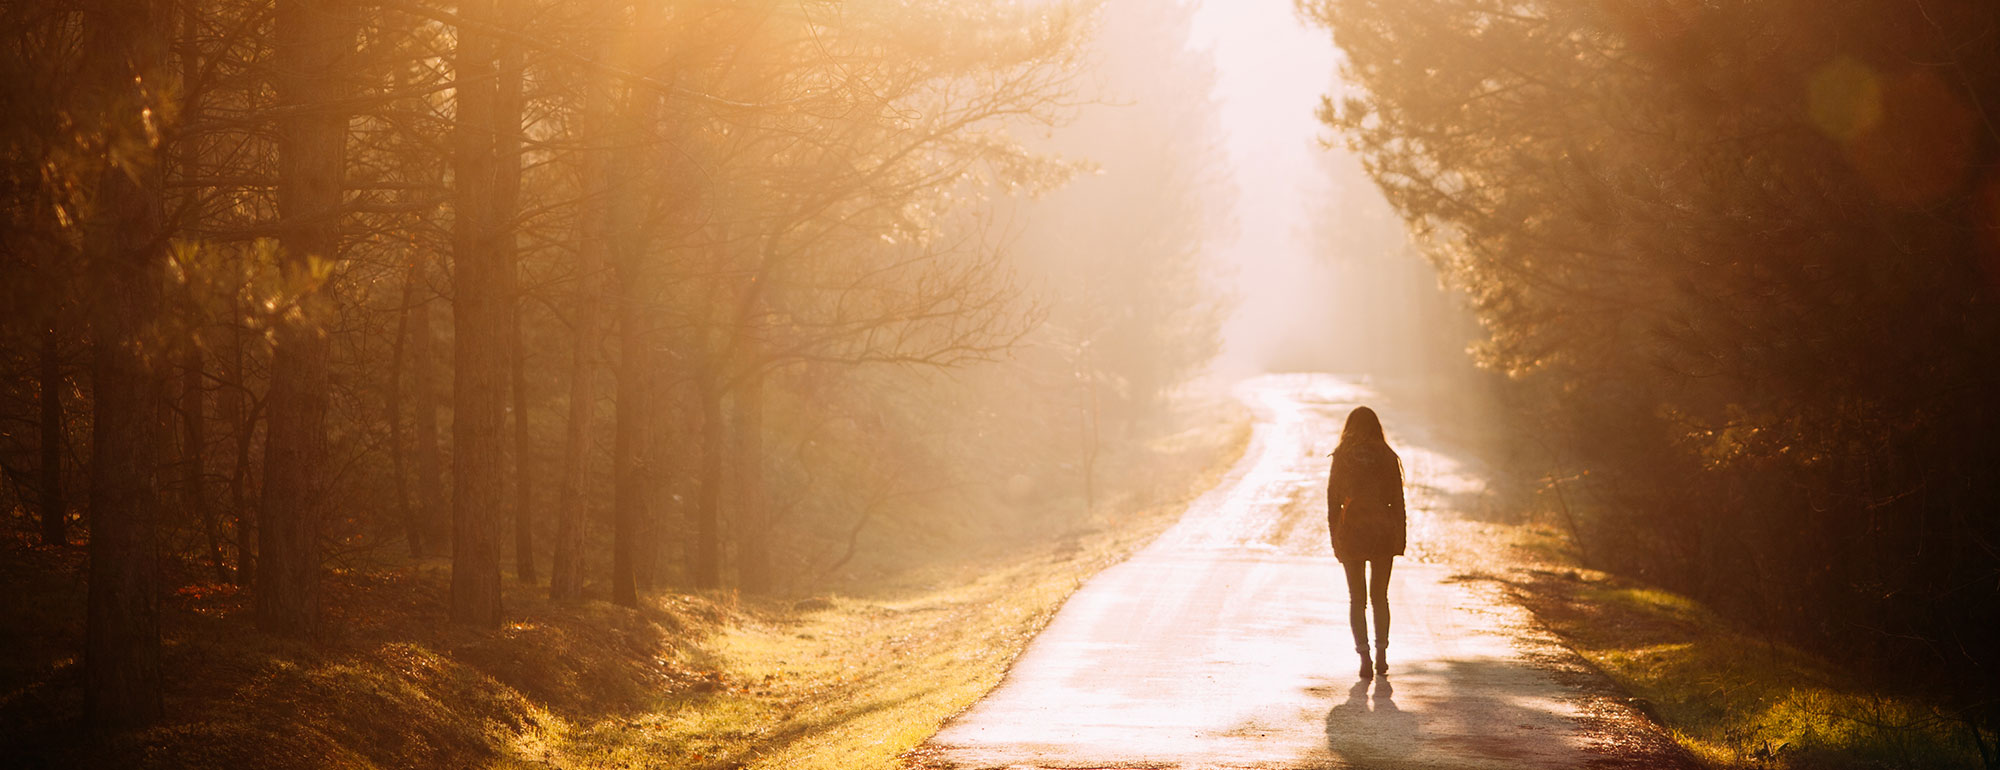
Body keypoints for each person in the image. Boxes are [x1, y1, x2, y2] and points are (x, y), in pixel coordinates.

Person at [1326, 406, 1407, 680]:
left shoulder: (1342, 457)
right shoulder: (1387, 455)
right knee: (1380, 597)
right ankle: (1382, 656)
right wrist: (1399, 539)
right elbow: (1397, 501)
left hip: (1351, 532)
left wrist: (1335, 537)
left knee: (1357, 599)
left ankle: (1364, 657)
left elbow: (1332, 502)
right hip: (1382, 532)